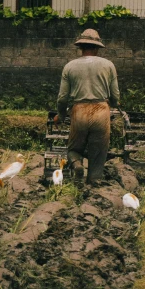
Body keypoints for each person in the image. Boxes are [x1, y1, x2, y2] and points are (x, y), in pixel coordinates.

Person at [55, 28, 120, 185]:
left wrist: (62, 115)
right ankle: (94, 179)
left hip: (79, 111)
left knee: (73, 148)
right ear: (97, 48)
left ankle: (77, 164)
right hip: (101, 111)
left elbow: (62, 98)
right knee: (98, 150)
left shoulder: (69, 66)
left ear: (80, 47)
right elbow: (115, 95)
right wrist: (115, 105)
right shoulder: (108, 65)